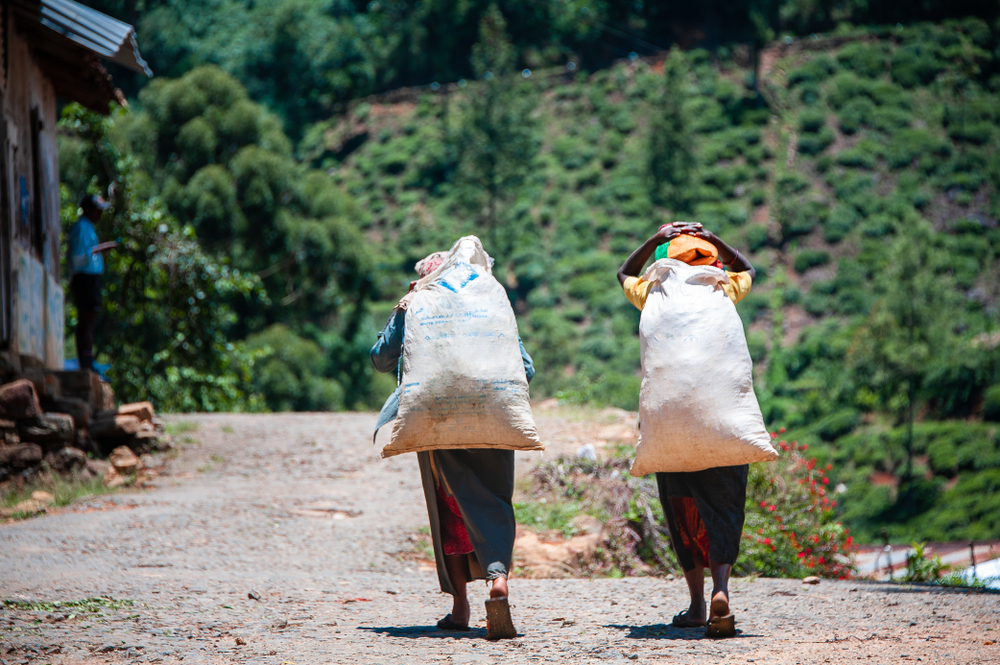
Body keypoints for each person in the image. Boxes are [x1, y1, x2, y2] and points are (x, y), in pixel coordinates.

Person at [370, 250, 535, 640]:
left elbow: (380, 359)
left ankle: (460, 607)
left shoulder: (418, 305)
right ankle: (498, 582)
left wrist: (404, 307)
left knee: (450, 508)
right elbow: (525, 368)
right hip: (494, 418)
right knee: (494, 501)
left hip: (437, 422)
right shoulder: (489, 304)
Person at [616, 221, 756, 639]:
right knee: (725, 508)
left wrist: (652, 240)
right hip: (723, 421)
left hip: (671, 426)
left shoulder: (653, 293)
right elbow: (750, 269)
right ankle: (721, 591)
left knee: (682, 508)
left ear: (664, 262)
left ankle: (696, 604)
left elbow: (623, 273)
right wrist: (716, 239)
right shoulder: (722, 287)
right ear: (710, 260)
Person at [67, 194, 117, 372]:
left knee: (90, 319)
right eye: (97, 210)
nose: (100, 214)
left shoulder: (88, 227)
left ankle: (88, 361)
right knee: (87, 319)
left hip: (89, 278)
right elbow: (79, 257)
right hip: (84, 278)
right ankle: (85, 363)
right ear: (88, 210)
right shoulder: (81, 228)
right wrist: (103, 248)